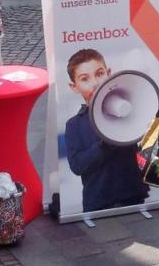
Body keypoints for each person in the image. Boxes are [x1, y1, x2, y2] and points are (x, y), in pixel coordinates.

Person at [63, 48, 148, 214]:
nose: (95, 82)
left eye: (99, 74)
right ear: (74, 87)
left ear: (109, 73)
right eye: (84, 79)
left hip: (133, 195)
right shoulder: (74, 125)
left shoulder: (127, 107)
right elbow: (77, 166)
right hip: (98, 201)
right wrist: (104, 145)